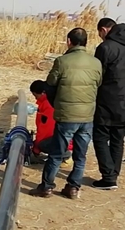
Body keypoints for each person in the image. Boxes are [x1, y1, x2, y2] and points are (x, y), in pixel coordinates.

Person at [30, 28, 102, 199]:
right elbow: (98, 83)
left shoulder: (62, 61)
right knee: (80, 156)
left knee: (56, 153)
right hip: (87, 116)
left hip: (67, 116)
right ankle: (73, 188)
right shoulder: (96, 63)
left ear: (69, 41)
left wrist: (56, 103)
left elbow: (50, 83)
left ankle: (46, 187)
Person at [92, 18, 125, 190]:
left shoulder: (105, 47)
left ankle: (108, 177)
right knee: (118, 139)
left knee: (100, 137)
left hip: (107, 99)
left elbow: (97, 74)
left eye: (100, 33)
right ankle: (113, 174)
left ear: (104, 30)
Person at [29, 80, 73, 169]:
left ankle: (66, 156)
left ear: (42, 93)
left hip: (64, 139)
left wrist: (37, 147)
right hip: (66, 136)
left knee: (42, 145)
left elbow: (47, 129)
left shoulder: (48, 106)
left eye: (35, 95)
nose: (35, 98)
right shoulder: (49, 100)